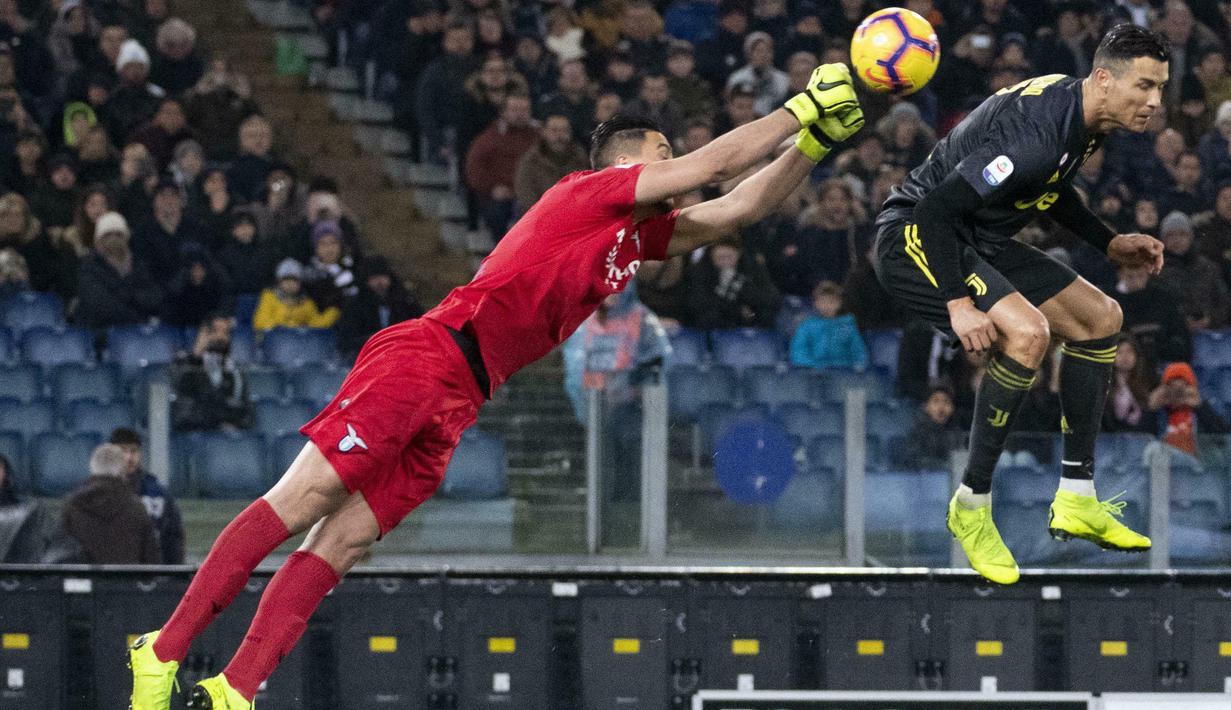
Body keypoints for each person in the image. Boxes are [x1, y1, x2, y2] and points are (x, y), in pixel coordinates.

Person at [129, 63, 866, 709]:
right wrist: (798, 105)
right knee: (303, 504)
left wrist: (813, 142)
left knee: (345, 542)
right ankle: (160, 651)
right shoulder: (585, 194)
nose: (674, 162)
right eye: (661, 151)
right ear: (624, 165)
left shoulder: (628, 240)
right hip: (426, 357)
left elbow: (737, 206)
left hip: (463, 397)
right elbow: (713, 168)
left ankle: (235, 688)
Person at [871, 25, 1170, 585]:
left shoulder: (1081, 117)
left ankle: (1078, 495)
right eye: (1145, 86)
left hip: (975, 239)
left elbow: (1048, 188)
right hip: (915, 237)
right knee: (1028, 334)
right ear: (1103, 79)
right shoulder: (1033, 137)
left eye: (1161, 88)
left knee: (1102, 319)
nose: (1154, 101)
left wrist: (1108, 241)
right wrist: (958, 304)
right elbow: (934, 213)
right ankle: (972, 502)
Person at [62, 443, 160, 565]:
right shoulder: (136, 507)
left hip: (84, 582)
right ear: (122, 470)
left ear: (92, 467)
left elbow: (61, 555)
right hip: (126, 582)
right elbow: (151, 560)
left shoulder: (72, 506)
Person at [109, 428, 186, 565]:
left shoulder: (157, 494)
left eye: (133, 451)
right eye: (122, 451)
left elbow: (173, 539)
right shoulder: (96, 493)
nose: (128, 457)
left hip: (150, 574)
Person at [171, 313, 253, 433]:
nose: (221, 337)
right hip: (195, 434)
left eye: (226, 333)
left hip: (227, 437)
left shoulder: (235, 371)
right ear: (203, 335)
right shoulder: (185, 364)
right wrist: (196, 357)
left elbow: (247, 414)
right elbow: (185, 406)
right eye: (215, 331)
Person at [336, 257, 424, 360]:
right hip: (365, 356)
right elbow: (345, 341)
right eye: (374, 278)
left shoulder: (404, 302)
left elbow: (419, 329)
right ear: (366, 281)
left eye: (383, 277)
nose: (379, 282)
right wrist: (376, 340)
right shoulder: (354, 306)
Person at [1148, 362, 1229, 456]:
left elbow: (1222, 440)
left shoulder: (1203, 408)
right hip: (1164, 464)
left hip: (1196, 465)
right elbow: (1141, 440)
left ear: (1193, 387)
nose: (1178, 391)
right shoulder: (1159, 411)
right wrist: (1151, 409)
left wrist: (1201, 408)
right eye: (1171, 385)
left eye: (1185, 385)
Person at [788, 281, 869, 371]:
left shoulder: (849, 327)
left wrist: (851, 368)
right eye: (823, 301)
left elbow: (859, 353)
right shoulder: (806, 327)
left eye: (831, 302)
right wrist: (816, 367)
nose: (827, 306)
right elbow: (798, 353)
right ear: (816, 303)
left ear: (839, 303)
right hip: (814, 376)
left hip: (843, 376)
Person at [252, 258, 340, 332]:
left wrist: (333, 312)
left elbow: (316, 324)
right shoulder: (269, 296)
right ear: (279, 281)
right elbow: (260, 322)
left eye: (294, 280)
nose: (290, 284)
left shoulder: (305, 302)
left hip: (298, 346)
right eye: (286, 279)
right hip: (274, 343)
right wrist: (288, 325)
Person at [891, 385, 966, 470]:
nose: (941, 407)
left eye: (946, 402)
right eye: (936, 401)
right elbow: (915, 461)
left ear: (952, 408)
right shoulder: (917, 432)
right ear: (926, 407)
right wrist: (944, 466)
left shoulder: (957, 434)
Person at [1104, 333, 1158, 434]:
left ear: (1136, 356)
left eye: (1129, 351)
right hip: (1112, 441)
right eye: (1119, 352)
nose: (1125, 356)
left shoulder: (1148, 382)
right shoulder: (1104, 386)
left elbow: (1150, 420)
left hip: (1143, 437)